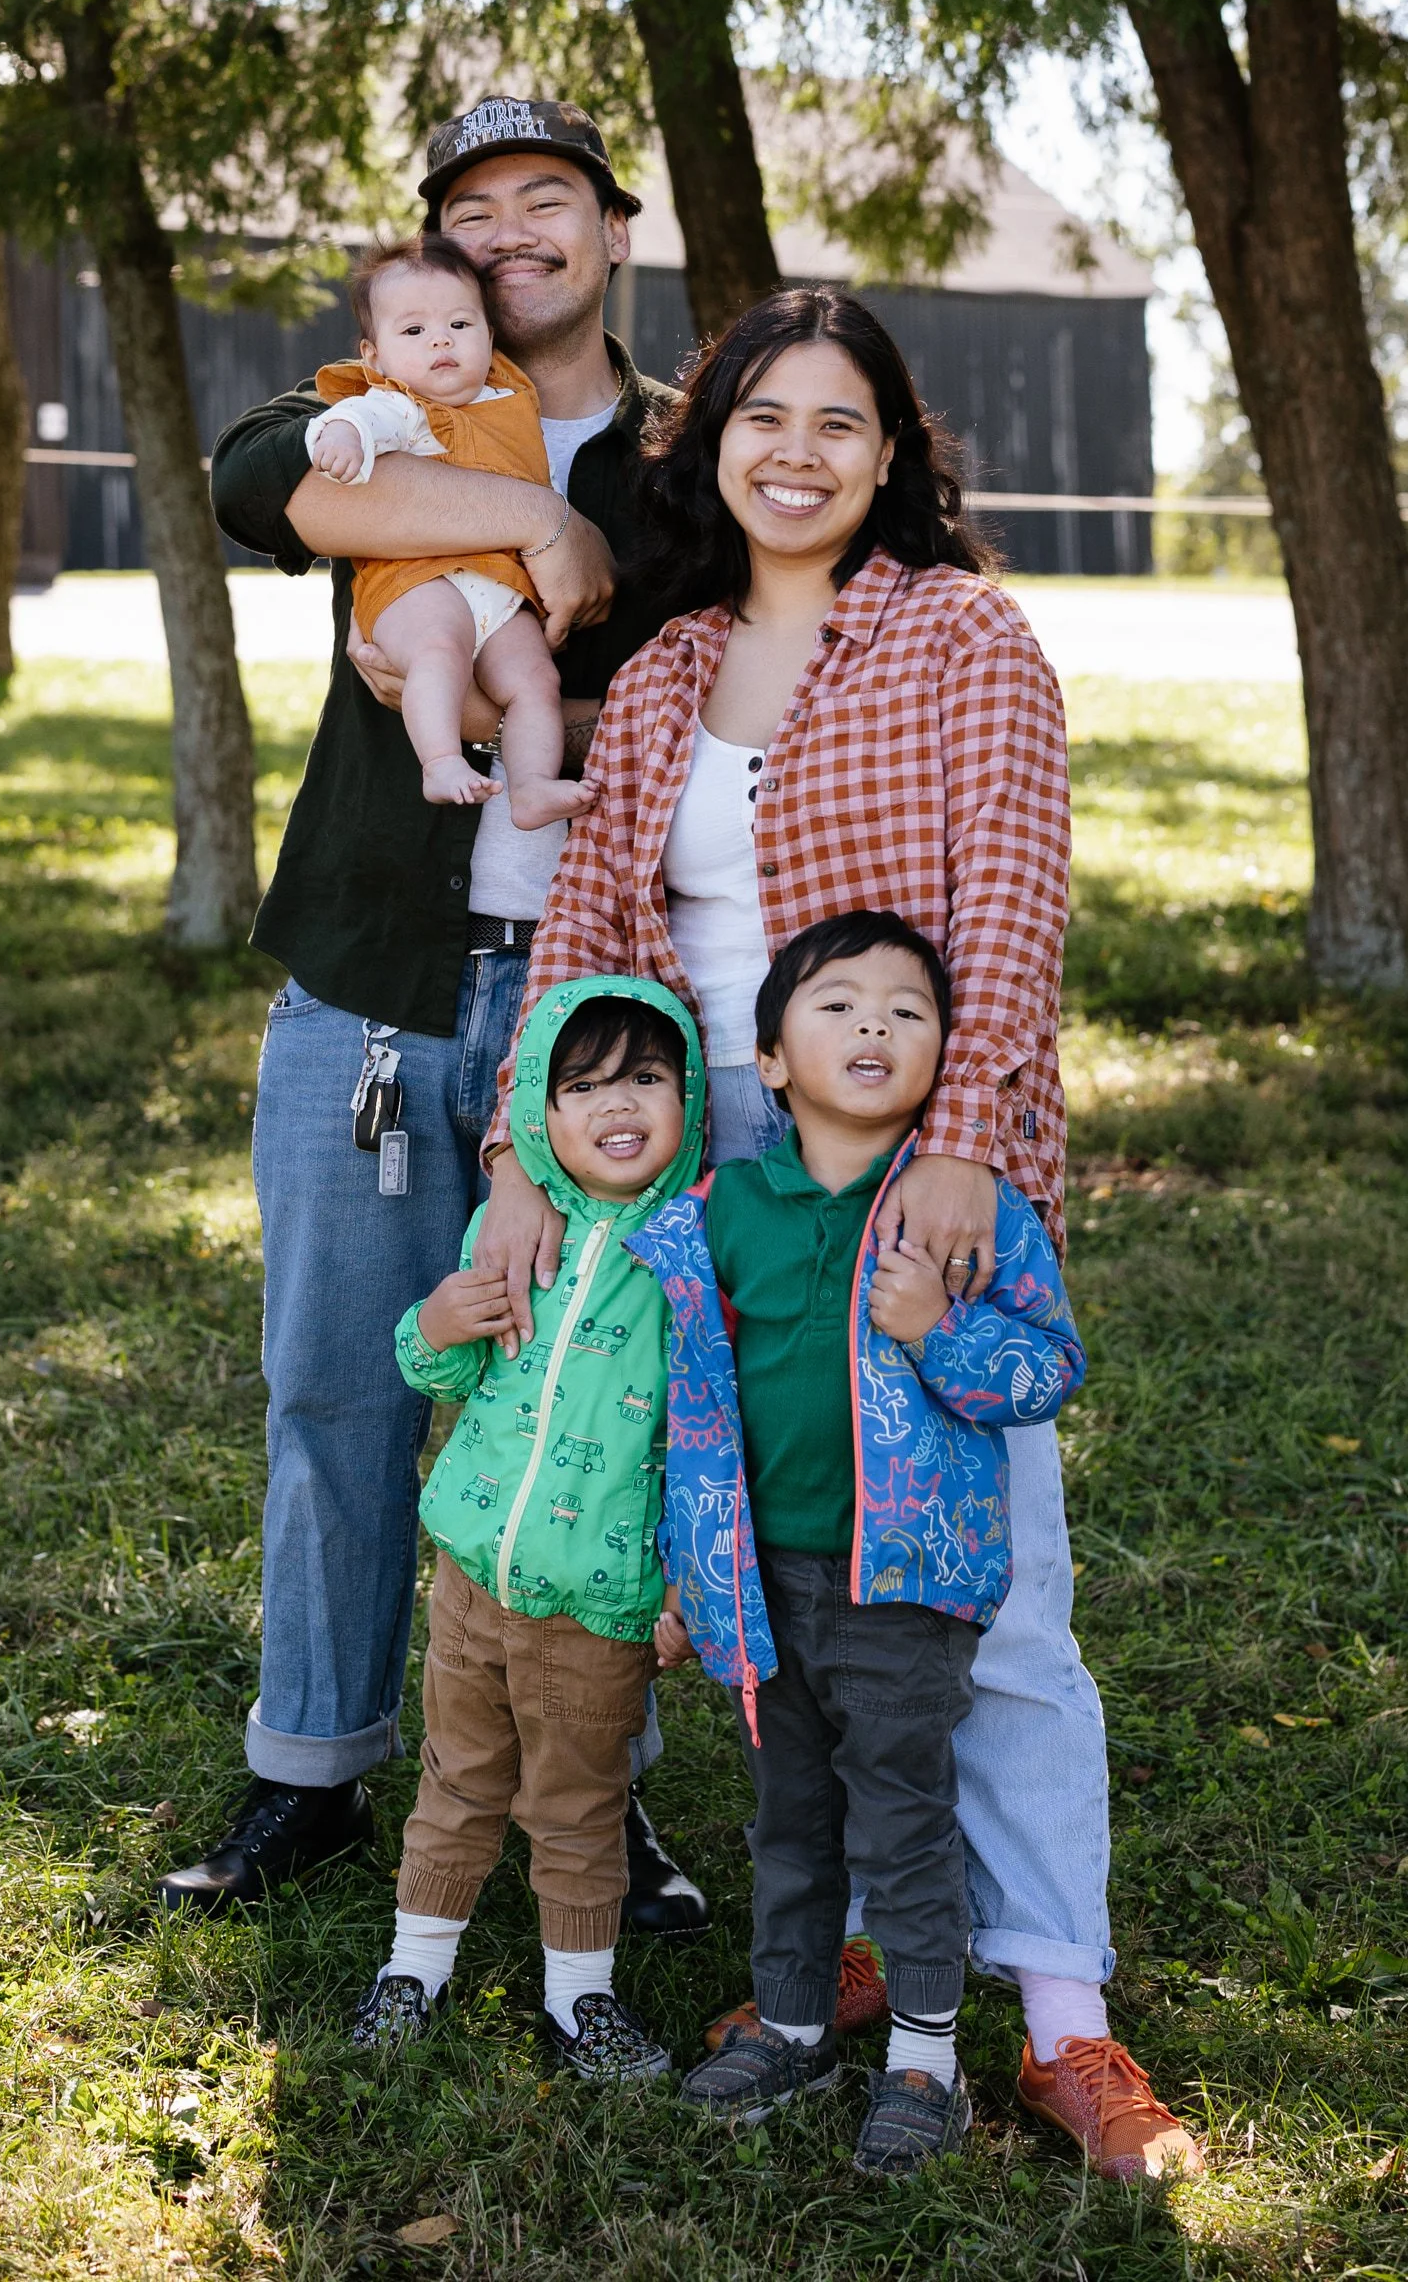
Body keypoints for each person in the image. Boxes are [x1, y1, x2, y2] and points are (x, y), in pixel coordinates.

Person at [472, 285, 1205, 2184]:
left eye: (838, 423)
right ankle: (871, 1944)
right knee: (776, 1591)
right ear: (710, 443)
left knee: (991, 1595)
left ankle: (1062, 2018)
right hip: (700, 1191)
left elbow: (1016, 903)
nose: (794, 452)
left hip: (902, 1165)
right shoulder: (662, 672)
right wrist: (526, 1168)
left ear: (894, 456)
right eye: (758, 418)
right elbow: (589, 951)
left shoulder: (963, 638)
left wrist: (963, 1147)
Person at [161, 97, 703, 1937]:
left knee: (583, 1398)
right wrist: (524, 510)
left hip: (600, 1008)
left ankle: (588, 1791)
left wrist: (587, 498)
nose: (513, 233)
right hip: (375, 978)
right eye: (475, 210)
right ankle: (308, 1764)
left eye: (548, 199)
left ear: (611, 230)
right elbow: (272, 486)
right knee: (332, 1383)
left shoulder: (694, 447)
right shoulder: (379, 385)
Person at [636, 911, 1086, 2175]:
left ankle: (925, 2058)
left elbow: (1049, 1370)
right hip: (762, 1587)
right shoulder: (720, 1210)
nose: (874, 1025)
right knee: (787, 1819)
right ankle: (789, 2024)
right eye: (836, 1006)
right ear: (768, 1059)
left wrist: (939, 1325)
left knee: (900, 1820)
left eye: (906, 1008)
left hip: (902, 1585)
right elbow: (687, 1406)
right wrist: (690, 1572)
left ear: (942, 1052)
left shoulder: (966, 1213)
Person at [354, 979, 705, 2081]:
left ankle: (577, 2002)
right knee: (456, 1779)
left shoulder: (693, 1260)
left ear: (688, 1098)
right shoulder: (512, 1227)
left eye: (646, 1077)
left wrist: (685, 1588)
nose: (617, 1102)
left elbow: (707, 1447)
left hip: (597, 1603)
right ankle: (414, 1965)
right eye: (584, 1082)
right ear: (540, 1121)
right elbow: (443, 1365)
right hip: (468, 1575)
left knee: (576, 1806)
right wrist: (433, 1323)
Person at [302, 232, 592, 828]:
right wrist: (341, 438)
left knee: (536, 679)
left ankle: (533, 785)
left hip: (502, 594)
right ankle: (439, 761)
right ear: (375, 356)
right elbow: (352, 417)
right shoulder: (397, 404)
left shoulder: (512, 401)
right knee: (440, 650)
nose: (440, 339)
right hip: (418, 585)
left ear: (490, 336)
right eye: (413, 332)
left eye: (460, 324)